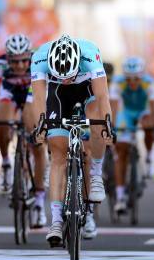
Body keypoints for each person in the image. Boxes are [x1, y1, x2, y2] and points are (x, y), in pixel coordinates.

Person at [31, 34, 112, 245]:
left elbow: (103, 96)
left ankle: (95, 173)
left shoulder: (90, 54)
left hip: (87, 91)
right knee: (58, 154)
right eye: (61, 75)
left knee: (97, 121)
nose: (66, 78)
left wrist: (107, 126)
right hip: (59, 96)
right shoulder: (39, 57)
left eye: (69, 75)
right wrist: (40, 125)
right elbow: (39, 99)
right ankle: (56, 221)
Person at [0, 34, 48, 227]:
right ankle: (6, 162)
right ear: (8, 58)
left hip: (33, 92)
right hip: (10, 92)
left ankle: (40, 202)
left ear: (29, 56)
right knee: (3, 121)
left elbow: (42, 95)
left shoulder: (38, 61)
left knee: (35, 136)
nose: (21, 66)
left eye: (24, 60)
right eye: (15, 62)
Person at [109, 56, 154, 214]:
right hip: (126, 113)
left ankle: (149, 156)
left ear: (142, 76)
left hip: (143, 111)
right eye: (129, 79)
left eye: (136, 79)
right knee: (121, 150)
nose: (132, 82)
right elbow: (114, 108)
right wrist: (111, 128)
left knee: (149, 126)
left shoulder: (149, 83)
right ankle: (120, 196)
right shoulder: (118, 82)